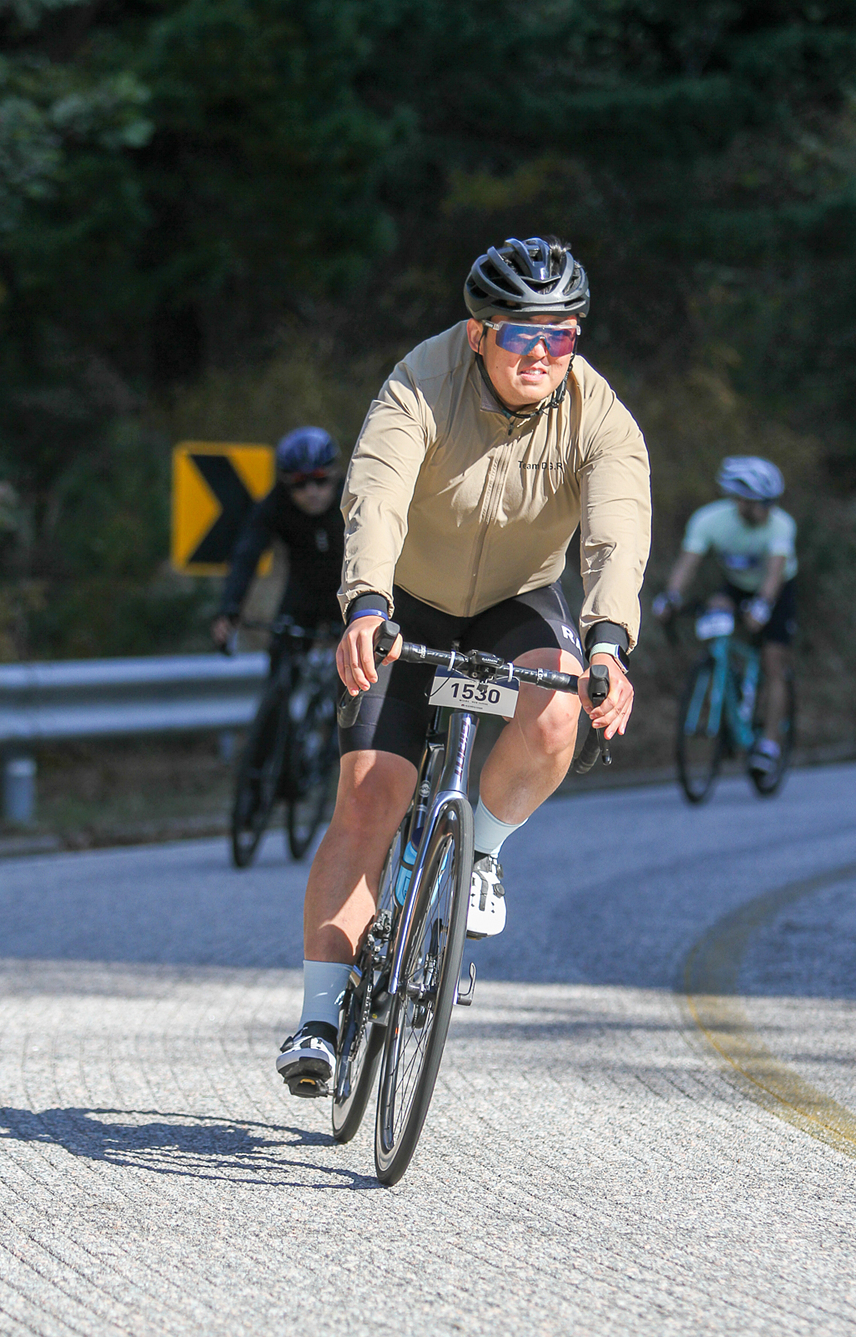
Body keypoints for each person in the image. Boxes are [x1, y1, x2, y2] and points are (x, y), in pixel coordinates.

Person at [277, 234, 652, 1098]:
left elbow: (617, 533)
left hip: (518, 599)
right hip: (407, 600)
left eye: (561, 335)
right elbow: (375, 495)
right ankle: (319, 1021)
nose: (542, 354)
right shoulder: (420, 381)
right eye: (522, 334)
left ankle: (479, 851)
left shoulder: (598, 414)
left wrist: (608, 642)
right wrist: (366, 603)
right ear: (479, 333)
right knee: (368, 799)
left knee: (556, 716)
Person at [652, 456, 796, 779]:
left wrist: (763, 606)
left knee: (774, 660)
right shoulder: (710, 520)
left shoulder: (781, 524)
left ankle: (770, 743)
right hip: (735, 586)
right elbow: (688, 563)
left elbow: (775, 573)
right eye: (762, 504)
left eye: (771, 503)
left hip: (777, 589)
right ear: (741, 501)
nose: (769, 510)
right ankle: (725, 677)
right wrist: (671, 596)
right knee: (716, 611)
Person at [210, 426, 344, 647]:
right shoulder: (275, 504)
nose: (311, 492)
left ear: (335, 474)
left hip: (348, 592)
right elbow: (247, 555)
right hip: (301, 593)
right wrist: (229, 608)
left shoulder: (354, 499)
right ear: (285, 483)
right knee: (281, 654)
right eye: (299, 482)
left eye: (320, 479)